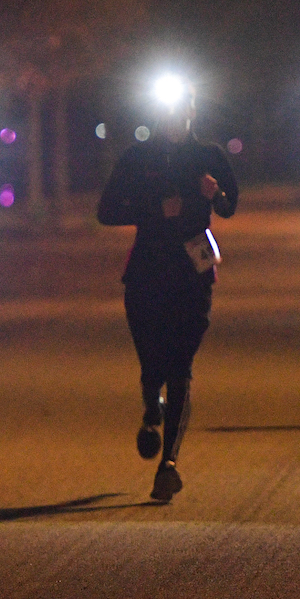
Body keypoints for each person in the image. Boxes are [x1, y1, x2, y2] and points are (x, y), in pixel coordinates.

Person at [97, 77, 237, 502]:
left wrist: (217, 194)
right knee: (151, 361)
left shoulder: (209, 155)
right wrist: (154, 210)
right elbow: (106, 211)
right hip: (146, 271)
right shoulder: (137, 157)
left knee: (180, 368)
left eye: (182, 110)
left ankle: (169, 465)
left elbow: (231, 206)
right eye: (168, 111)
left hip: (192, 275)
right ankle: (149, 401)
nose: (175, 118)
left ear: (192, 111)